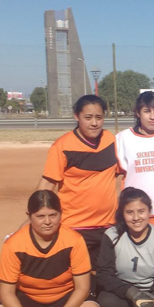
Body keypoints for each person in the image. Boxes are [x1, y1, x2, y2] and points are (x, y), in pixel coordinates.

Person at [37, 95, 119, 293]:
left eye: (99, 117)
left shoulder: (110, 140)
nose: (94, 123)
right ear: (76, 116)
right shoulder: (62, 146)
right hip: (75, 227)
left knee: (105, 278)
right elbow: (48, 183)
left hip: (108, 226)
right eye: (88, 117)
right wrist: (33, 215)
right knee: (76, 282)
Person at [115, 91, 154, 261]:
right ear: (137, 112)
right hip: (137, 216)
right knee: (141, 264)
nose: (152, 117)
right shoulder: (123, 138)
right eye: (147, 111)